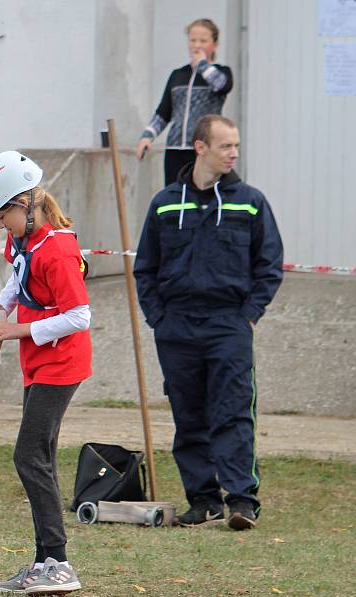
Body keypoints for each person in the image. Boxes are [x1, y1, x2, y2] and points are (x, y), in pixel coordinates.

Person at [134, 115, 283, 530]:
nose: (233, 153)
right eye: (225, 146)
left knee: (233, 412)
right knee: (189, 414)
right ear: (200, 147)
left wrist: (248, 316)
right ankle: (202, 500)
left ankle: (241, 501)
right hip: (176, 327)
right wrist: (158, 318)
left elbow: (269, 265)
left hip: (228, 325)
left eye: (235, 145)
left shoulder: (250, 201)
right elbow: (145, 268)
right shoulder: (165, 201)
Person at [0, 151, 90, 596]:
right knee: (38, 454)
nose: (1, 225)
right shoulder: (25, 241)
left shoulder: (58, 249)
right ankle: (45, 561)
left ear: (25, 203)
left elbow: (79, 316)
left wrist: (15, 328)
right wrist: (0, 306)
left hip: (62, 364)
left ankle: (59, 562)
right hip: (38, 362)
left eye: (4, 215)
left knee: (29, 456)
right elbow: (18, 278)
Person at [135, 18, 233, 185]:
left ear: (214, 45)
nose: (197, 45)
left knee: (201, 195)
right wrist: (146, 137)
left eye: (203, 40)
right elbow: (163, 112)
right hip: (175, 150)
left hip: (204, 149)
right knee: (175, 195)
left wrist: (202, 64)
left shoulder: (221, 72)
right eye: (193, 40)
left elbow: (222, 85)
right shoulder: (177, 75)